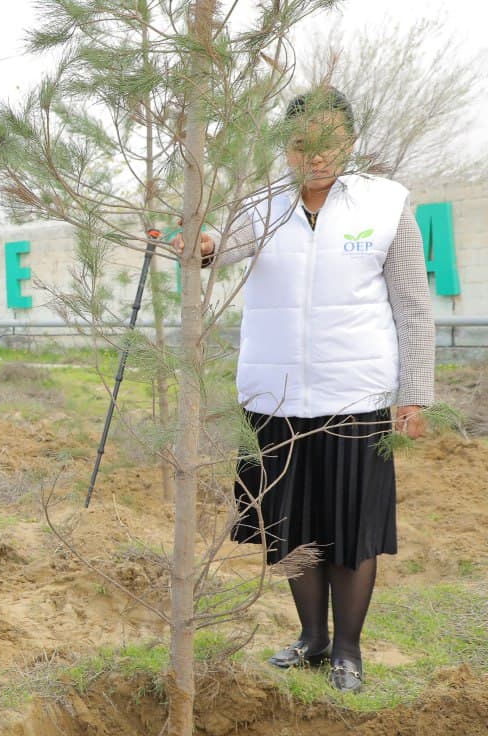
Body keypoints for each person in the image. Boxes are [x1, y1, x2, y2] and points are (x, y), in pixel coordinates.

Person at [173, 87, 434, 693]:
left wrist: (413, 393)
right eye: (302, 144)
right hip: (276, 397)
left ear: (349, 140)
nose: (316, 156)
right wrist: (201, 245)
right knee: (290, 524)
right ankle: (311, 637)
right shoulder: (260, 206)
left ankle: (348, 649)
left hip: (355, 395)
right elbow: (219, 247)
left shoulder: (384, 202)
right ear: (286, 149)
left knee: (351, 526)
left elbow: (413, 305)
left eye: (330, 141)